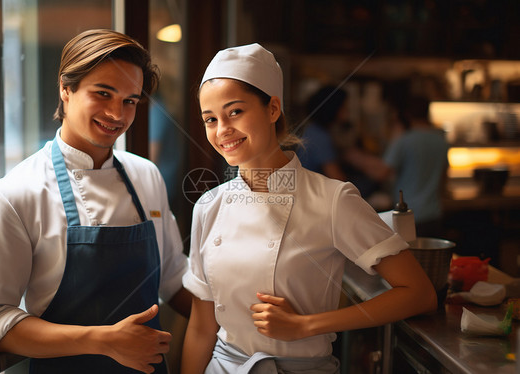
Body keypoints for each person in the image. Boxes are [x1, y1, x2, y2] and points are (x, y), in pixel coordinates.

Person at [180, 43, 437, 374]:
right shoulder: (208, 205)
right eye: (210, 119)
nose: (222, 130)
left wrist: (307, 325)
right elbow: (202, 328)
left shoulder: (333, 199)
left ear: (273, 109)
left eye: (235, 112)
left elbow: (418, 293)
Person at [0, 29, 191, 374]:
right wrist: (104, 341)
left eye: (130, 100)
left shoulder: (145, 175)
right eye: (103, 93)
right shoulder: (14, 195)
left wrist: (245, 326)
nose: (117, 113)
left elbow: (174, 277)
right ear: (65, 89)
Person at [345, 96, 449, 237]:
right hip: (434, 213)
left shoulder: (404, 140)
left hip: (408, 216)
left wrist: (355, 159)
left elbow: (382, 173)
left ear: (405, 115)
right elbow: (443, 178)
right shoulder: (440, 140)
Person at [296, 85, 348, 181]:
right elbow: (337, 178)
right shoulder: (319, 137)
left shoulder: (313, 130)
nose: (346, 112)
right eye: (343, 107)